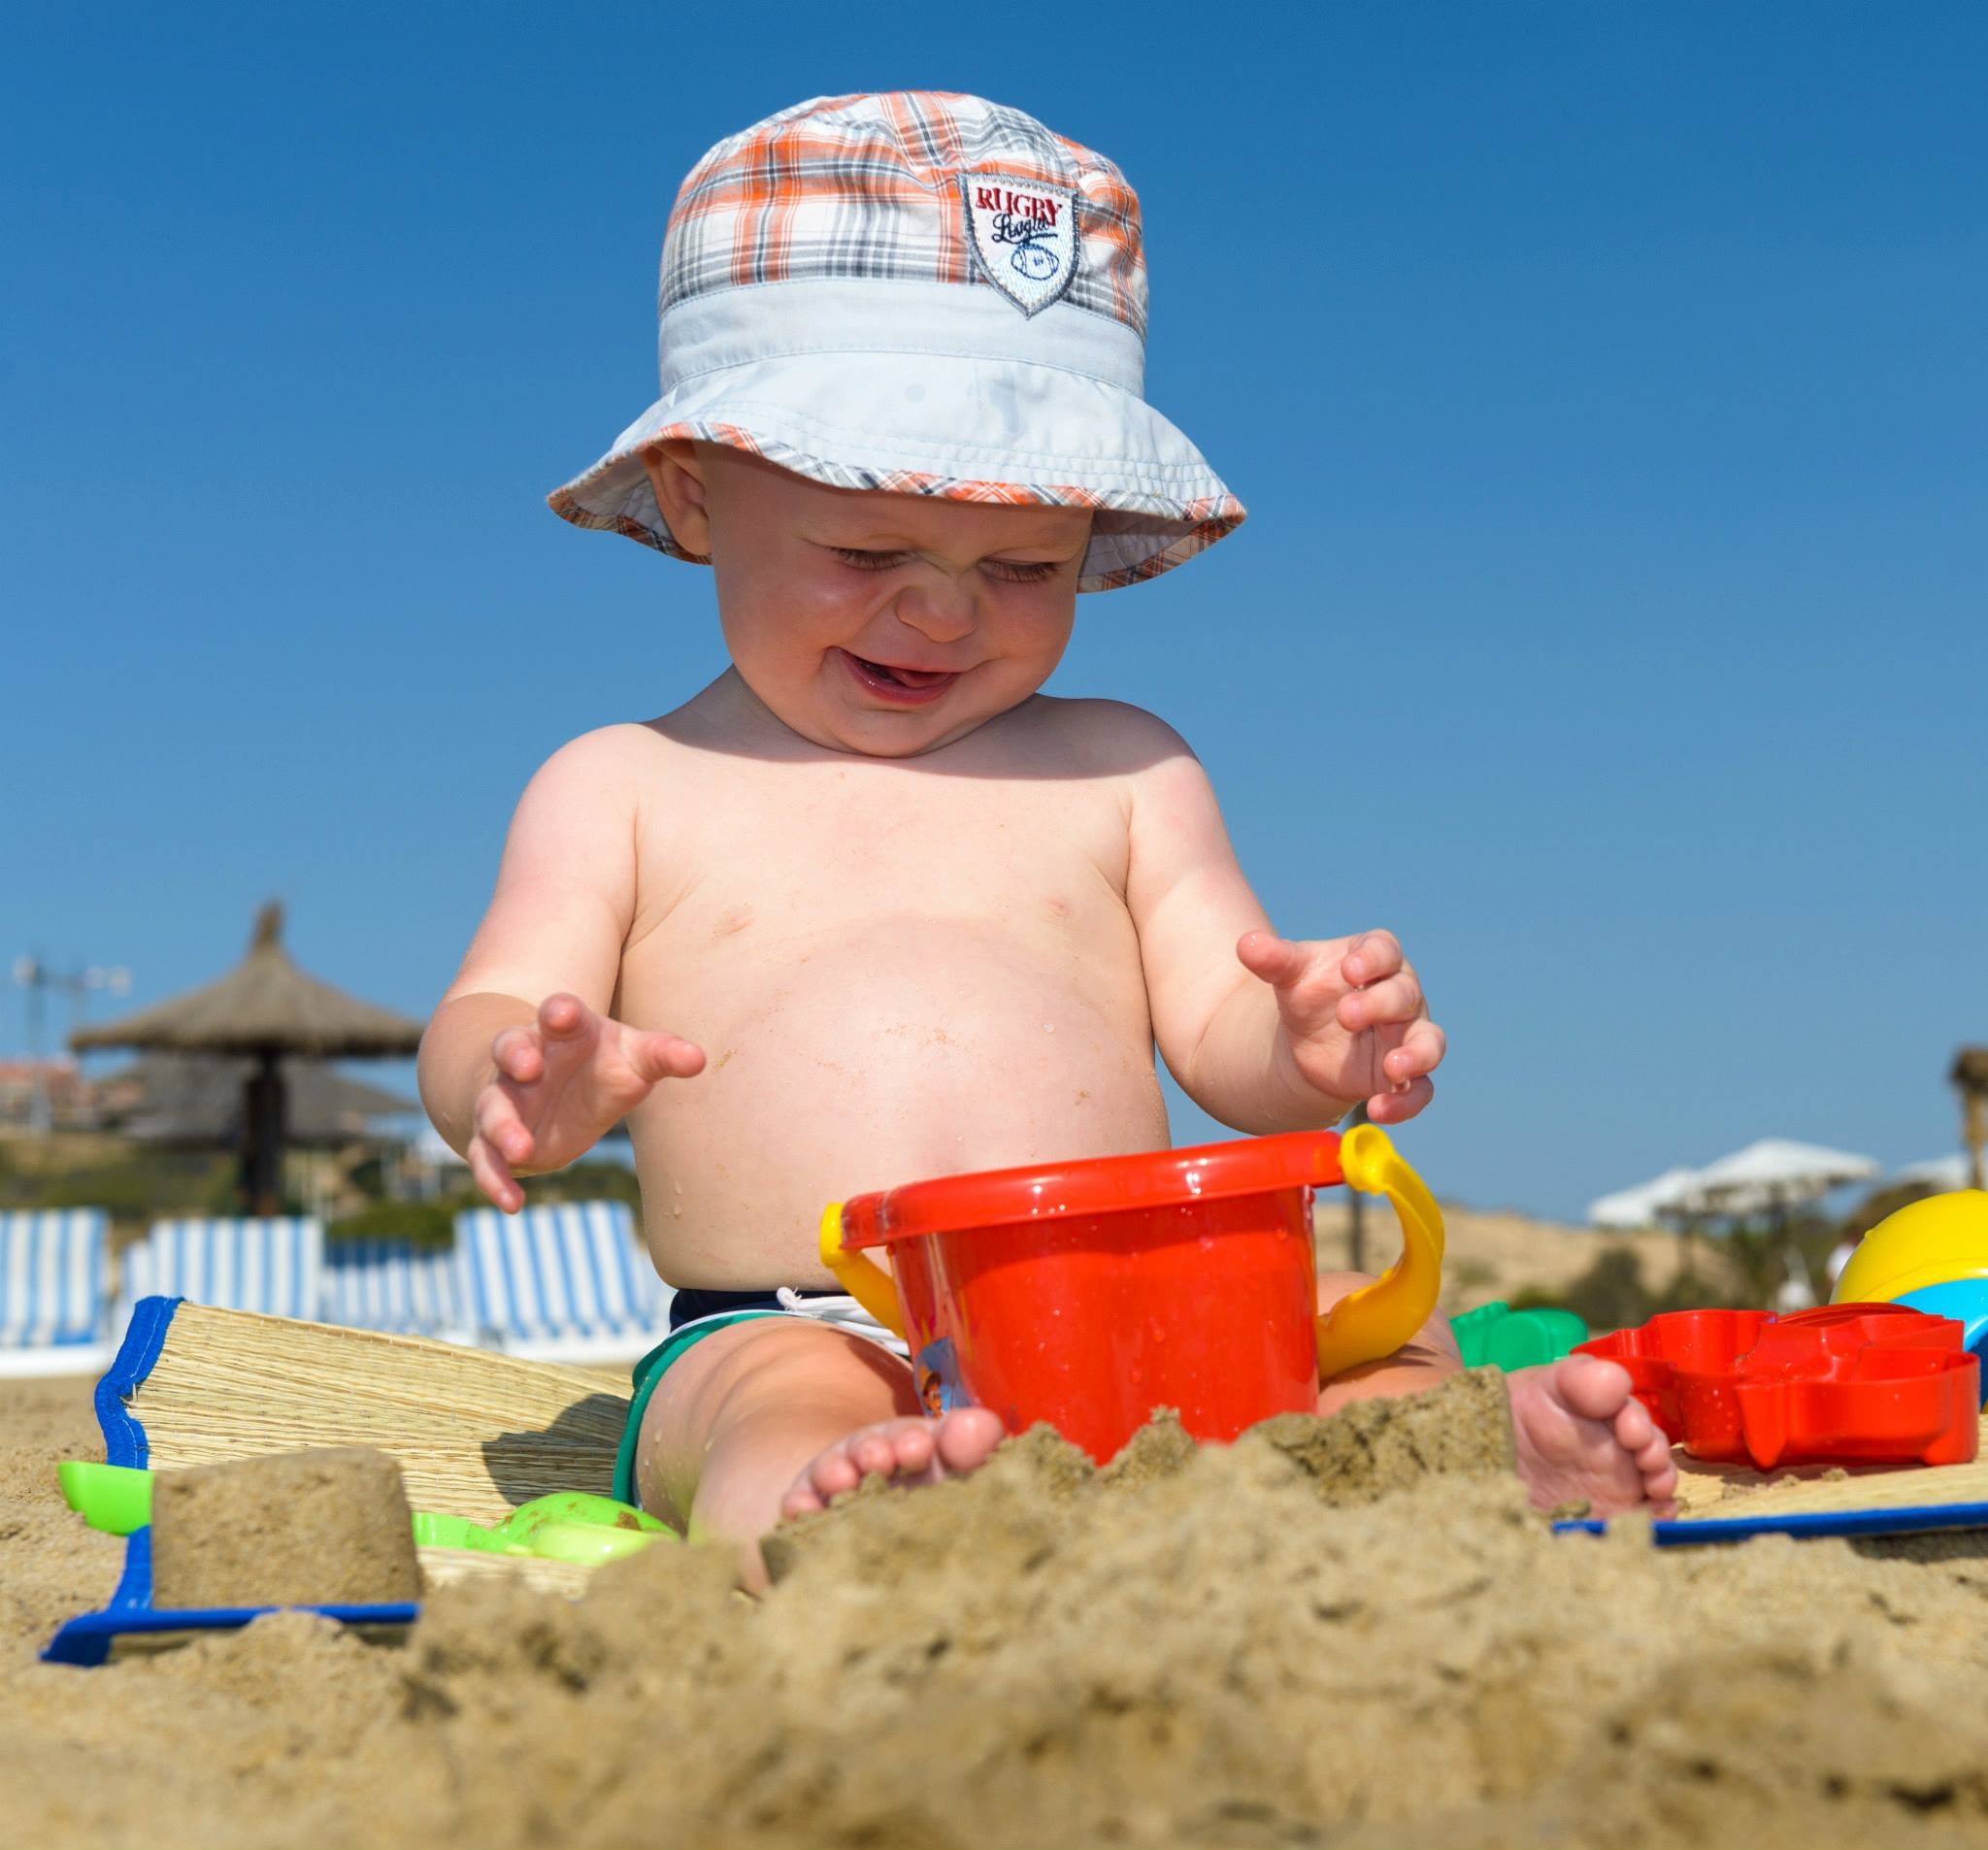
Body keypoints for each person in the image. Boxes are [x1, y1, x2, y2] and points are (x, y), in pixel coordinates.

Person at [419, 92, 1675, 1583]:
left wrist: (1311, 1051)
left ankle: (1481, 1457)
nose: (945, 610)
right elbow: (487, 1006)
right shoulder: (627, 782)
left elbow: (1217, 1021)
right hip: (801, 1310)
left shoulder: (1123, 767)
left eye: (1024, 565)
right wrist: (523, 1085)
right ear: (697, 496)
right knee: (765, 1415)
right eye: (870, 549)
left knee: (1339, 1379)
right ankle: (844, 1519)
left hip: (1143, 1290)